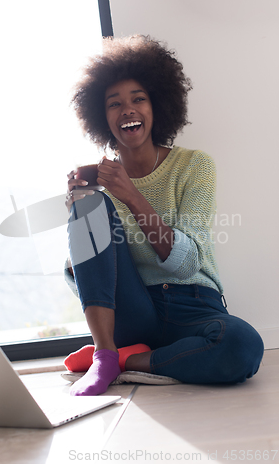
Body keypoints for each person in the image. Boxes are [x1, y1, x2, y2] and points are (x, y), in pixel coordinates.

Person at [64, 35, 264, 396]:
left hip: (194, 307)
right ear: (101, 117)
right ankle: (107, 352)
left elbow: (186, 265)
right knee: (89, 209)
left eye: (138, 99)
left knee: (243, 346)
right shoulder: (102, 194)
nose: (127, 109)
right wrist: (79, 214)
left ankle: (121, 361)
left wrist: (130, 193)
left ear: (157, 106)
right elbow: (83, 283)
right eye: (114, 103)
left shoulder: (194, 166)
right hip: (134, 309)